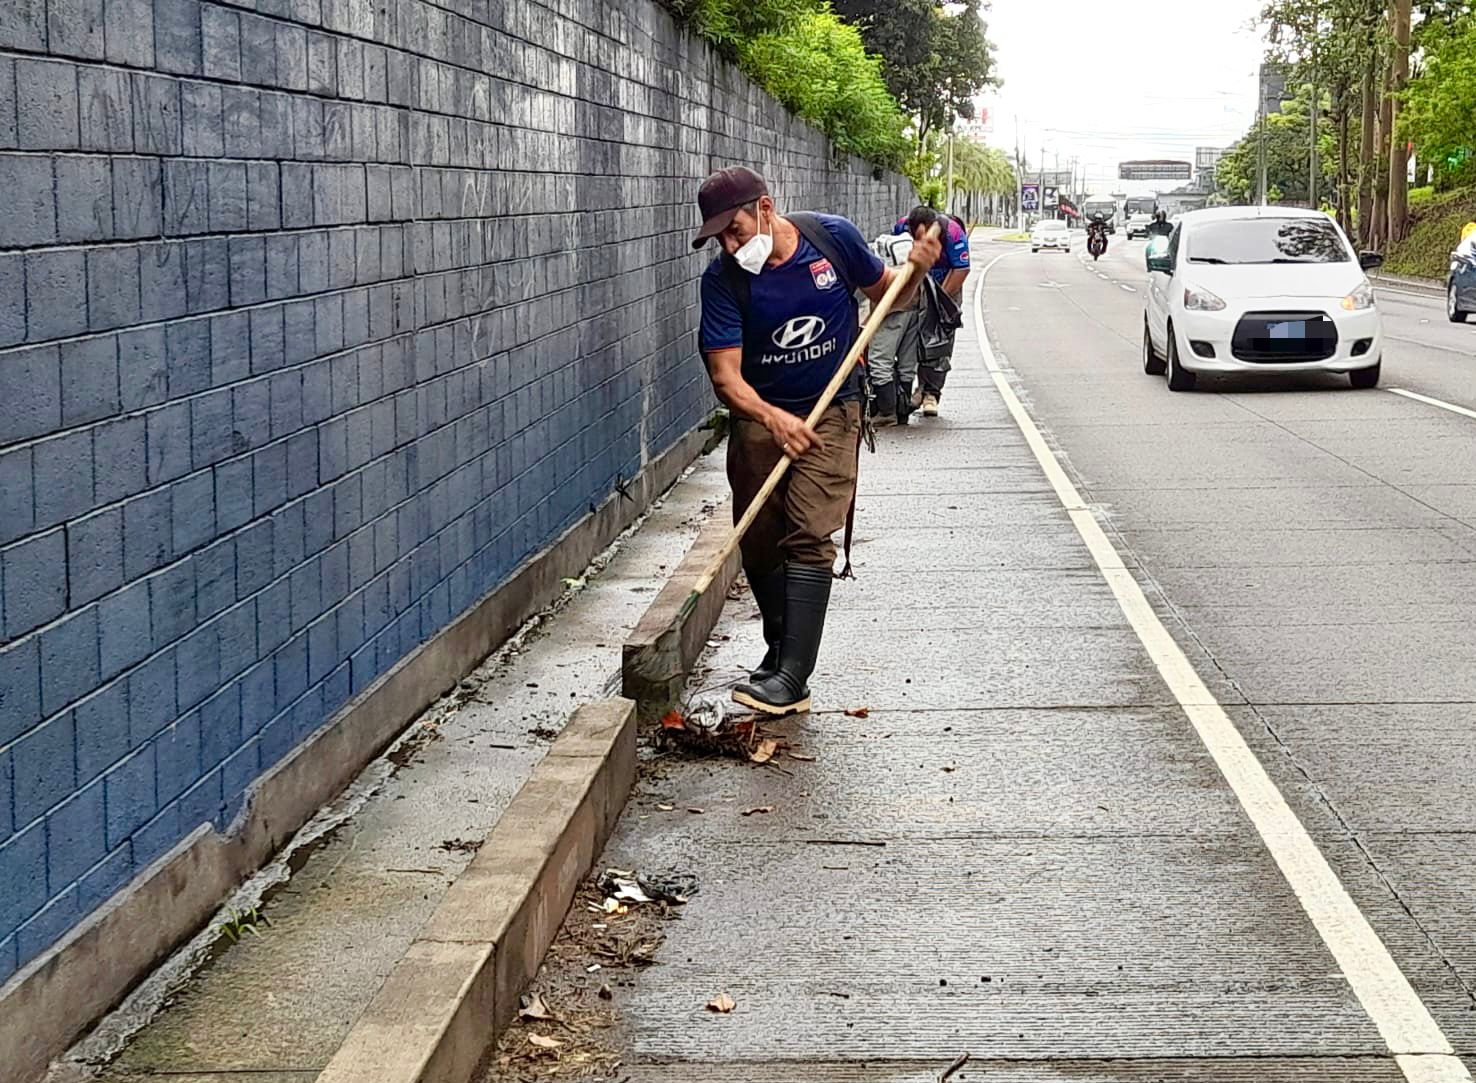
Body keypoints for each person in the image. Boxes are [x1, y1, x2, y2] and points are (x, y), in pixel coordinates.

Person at [694, 166, 941, 716]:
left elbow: (888, 298)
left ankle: (792, 678)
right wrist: (773, 419)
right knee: (759, 536)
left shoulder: (832, 238)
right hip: (761, 415)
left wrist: (916, 273)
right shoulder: (723, 282)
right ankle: (781, 648)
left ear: (765, 207)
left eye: (735, 230)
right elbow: (726, 379)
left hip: (834, 409)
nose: (732, 247)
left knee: (809, 531)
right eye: (721, 239)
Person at [868, 207, 970, 422]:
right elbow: (896, 262)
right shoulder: (902, 226)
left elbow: (961, 269)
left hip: (946, 287)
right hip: (915, 290)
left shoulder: (952, 232)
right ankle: (901, 404)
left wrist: (937, 301)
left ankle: (931, 393)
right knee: (913, 347)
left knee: (936, 341)